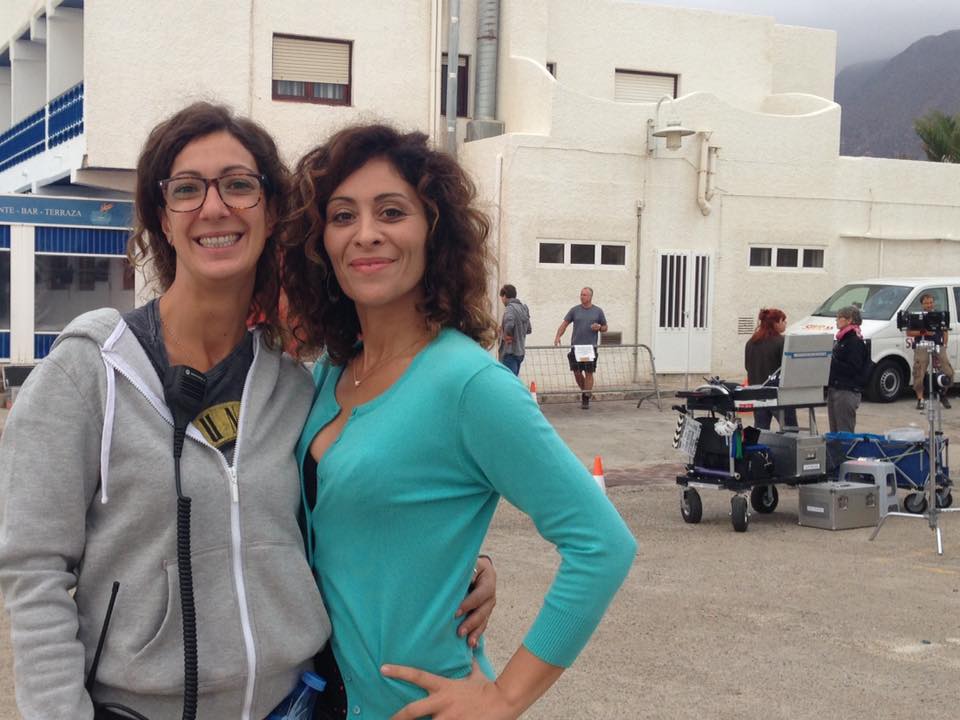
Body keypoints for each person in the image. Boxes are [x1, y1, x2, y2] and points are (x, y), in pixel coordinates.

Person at [0, 103, 495, 720]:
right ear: (162, 217)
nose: (215, 208)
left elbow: (353, 513)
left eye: (239, 185)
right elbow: (33, 571)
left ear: (272, 211)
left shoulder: (295, 387)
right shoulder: (86, 373)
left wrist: (463, 566)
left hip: (295, 705)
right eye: (187, 189)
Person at [282, 123, 636, 720]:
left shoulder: (469, 385)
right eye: (342, 216)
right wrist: (468, 564)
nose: (365, 233)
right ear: (322, 243)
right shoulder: (331, 372)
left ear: (434, 231)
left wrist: (506, 696)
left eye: (391, 212)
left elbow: (603, 545)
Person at [743, 307, 797, 430]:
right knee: (790, 430)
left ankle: (759, 444)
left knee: (760, 430)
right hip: (778, 393)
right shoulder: (782, 342)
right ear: (775, 323)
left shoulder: (751, 342)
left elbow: (747, 366)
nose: (785, 323)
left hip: (757, 391)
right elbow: (788, 368)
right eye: (783, 320)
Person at [554, 287, 607, 409]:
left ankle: (585, 399)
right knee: (577, 372)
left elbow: (605, 327)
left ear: (590, 297)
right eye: (581, 294)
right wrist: (558, 336)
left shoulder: (598, 311)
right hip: (576, 347)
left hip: (590, 348)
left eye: (584, 295)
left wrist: (599, 327)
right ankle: (586, 392)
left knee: (589, 372)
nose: (582, 297)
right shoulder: (574, 310)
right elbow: (564, 324)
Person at [827, 305, 870, 433]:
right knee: (834, 432)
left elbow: (854, 368)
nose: (836, 320)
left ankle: (845, 448)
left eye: (839, 317)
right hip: (835, 388)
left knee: (844, 431)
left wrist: (831, 362)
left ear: (849, 320)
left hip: (846, 391)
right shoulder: (842, 339)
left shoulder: (854, 341)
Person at [909, 292, 953, 410]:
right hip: (922, 345)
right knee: (919, 372)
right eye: (926, 303)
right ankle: (920, 399)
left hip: (937, 345)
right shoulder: (917, 316)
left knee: (948, 371)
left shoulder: (940, 315)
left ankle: (942, 394)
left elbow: (945, 331)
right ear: (922, 304)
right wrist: (924, 332)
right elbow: (909, 332)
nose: (929, 305)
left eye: (931, 302)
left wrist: (944, 345)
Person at [498, 283, 531, 375]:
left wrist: (504, 334)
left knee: (507, 379)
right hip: (520, 352)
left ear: (505, 296)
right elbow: (528, 329)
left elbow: (509, 325)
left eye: (501, 297)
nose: (502, 300)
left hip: (510, 352)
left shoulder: (510, 308)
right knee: (514, 378)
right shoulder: (524, 308)